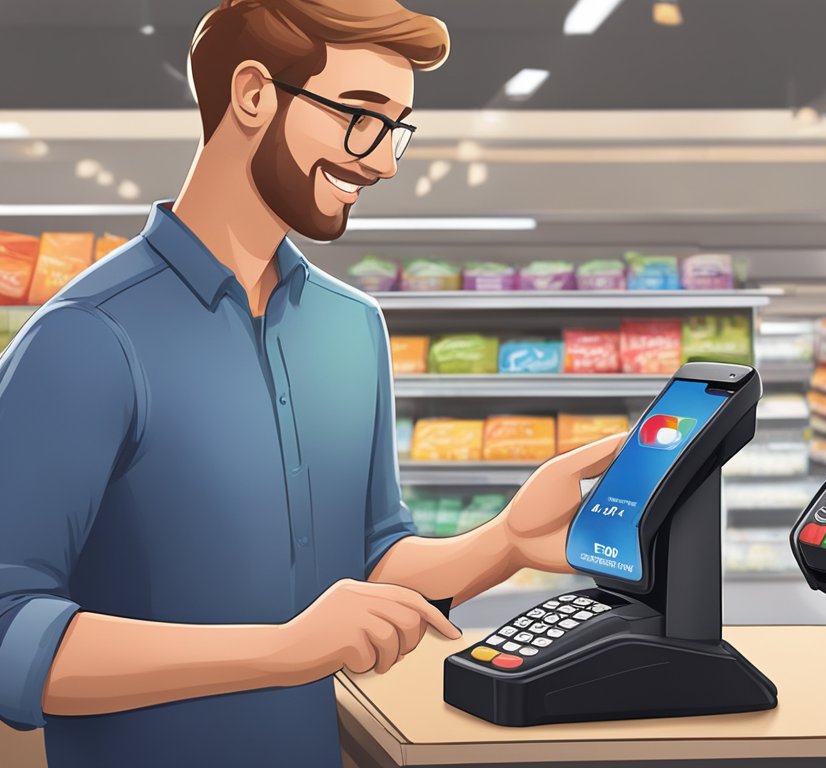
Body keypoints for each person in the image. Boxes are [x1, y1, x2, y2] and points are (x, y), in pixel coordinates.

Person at [0, 2, 622, 766]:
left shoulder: (351, 328)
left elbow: (371, 564)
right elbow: (8, 631)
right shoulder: (88, 336)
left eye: (399, 129)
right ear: (254, 94)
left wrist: (506, 542)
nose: (384, 161)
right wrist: (283, 651)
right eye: (361, 117)